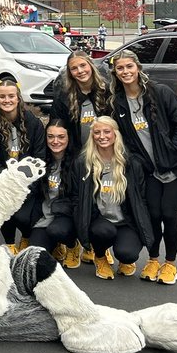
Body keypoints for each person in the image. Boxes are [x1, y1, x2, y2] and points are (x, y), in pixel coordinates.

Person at [110, 50, 177, 285]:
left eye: (129, 66)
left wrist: (172, 151)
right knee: (153, 215)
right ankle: (153, 259)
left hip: (175, 168)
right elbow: (125, 139)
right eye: (120, 68)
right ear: (115, 72)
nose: (125, 72)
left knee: (169, 214)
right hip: (149, 170)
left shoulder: (159, 92)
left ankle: (170, 264)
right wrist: (138, 162)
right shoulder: (118, 101)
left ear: (138, 68)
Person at [74, 116, 153, 280]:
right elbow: (76, 197)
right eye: (97, 132)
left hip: (125, 221)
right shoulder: (83, 163)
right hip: (100, 221)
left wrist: (142, 224)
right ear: (92, 136)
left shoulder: (131, 163)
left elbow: (142, 198)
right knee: (103, 232)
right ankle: (100, 256)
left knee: (128, 253)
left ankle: (124, 257)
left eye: (107, 132)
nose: (102, 136)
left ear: (115, 134)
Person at [0, 77, 47, 252]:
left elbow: (39, 155)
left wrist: (27, 184)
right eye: (2, 97)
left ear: (18, 98)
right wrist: (7, 183)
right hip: (4, 181)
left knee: (23, 217)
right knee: (6, 212)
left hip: (28, 182)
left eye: (11, 96)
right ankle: (9, 243)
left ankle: (26, 235)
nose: (7, 100)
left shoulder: (33, 123)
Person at [28, 119, 80, 266]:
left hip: (65, 216)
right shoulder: (40, 160)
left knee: (57, 231)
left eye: (61, 137)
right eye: (50, 136)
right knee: (34, 259)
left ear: (69, 138)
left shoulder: (78, 162)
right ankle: (56, 246)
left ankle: (72, 245)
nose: (55, 141)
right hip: (45, 216)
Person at [49, 51, 113, 151]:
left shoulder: (108, 93)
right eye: (74, 68)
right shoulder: (63, 98)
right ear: (70, 73)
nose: (80, 71)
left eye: (83, 65)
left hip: (107, 151)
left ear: (91, 65)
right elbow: (57, 127)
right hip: (76, 154)